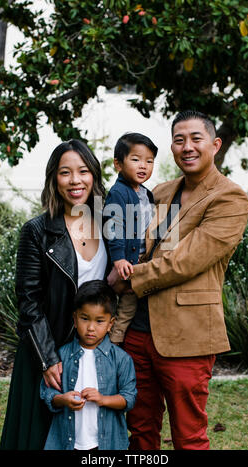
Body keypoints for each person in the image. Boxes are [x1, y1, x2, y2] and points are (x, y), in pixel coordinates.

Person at [109, 110, 248, 450]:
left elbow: (185, 262)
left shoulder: (229, 198)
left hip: (187, 336)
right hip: (137, 333)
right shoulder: (158, 192)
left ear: (215, 145)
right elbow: (133, 240)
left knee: (188, 437)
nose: (187, 147)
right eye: (178, 140)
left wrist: (128, 279)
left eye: (195, 139)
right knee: (141, 434)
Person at [0, 139, 108, 450]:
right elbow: (29, 302)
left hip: (93, 352)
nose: (76, 180)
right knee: (39, 438)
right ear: (53, 179)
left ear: (94, 176)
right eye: (65, 173)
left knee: (88, 440)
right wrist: (48, 359)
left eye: (83, 171)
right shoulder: (37, 230)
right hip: (49, 352)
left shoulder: (108, 224)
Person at [40, 280, 137, 450]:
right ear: (75, 319)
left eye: (99, 321)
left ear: (110, 324)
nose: (91, 327)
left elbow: (129, 398)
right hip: (68, 441)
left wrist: (102, 399)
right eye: (85, 319)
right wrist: (62, 399)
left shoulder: (121, 359)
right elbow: (47, 392)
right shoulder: (61, 355)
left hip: (106, 443)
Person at [103, 132, 157, 344]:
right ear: (118, 164)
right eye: (135, 159)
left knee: (130, 305)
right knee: (125, 306)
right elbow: (113, 226)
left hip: (141, 262)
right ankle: (113, 344)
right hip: (126, 262)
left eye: (149, 161)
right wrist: (118, 259)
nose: (143, 166)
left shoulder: (145, 193)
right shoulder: (119, 192)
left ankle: (116, 342)